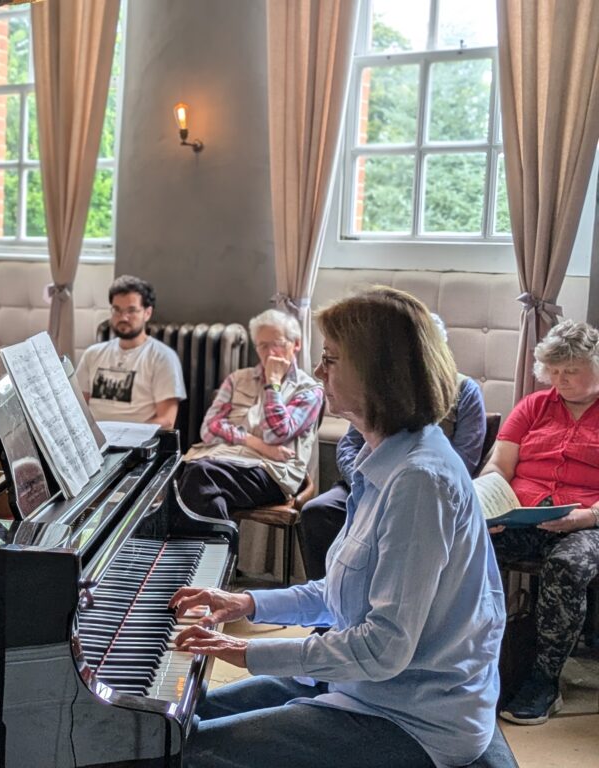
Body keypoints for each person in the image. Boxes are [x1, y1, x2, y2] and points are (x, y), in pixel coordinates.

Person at [170, 287, 505, 768]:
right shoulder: (383, 456)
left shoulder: (418, 481)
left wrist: (246, 651)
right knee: (174, 719)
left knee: (192, 751)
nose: (320, 372)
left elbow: (384, 646)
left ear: (377, 373)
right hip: (358, 686)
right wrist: (247, 602)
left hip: (411, 716)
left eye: (331, 359)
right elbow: (342, 593)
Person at [298, 313, 487, 580]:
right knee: (318, 512)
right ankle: (327, 608)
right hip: (364, 481)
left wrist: (395, 486)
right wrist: (364, 479)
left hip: (420, 493)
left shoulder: (465, 390)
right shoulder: (380, 390)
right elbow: (348, 445)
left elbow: (464, 459)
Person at [483, 319, 599, 726]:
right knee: (469, 544)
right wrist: (487, 505)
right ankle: (473, 659)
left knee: (567, 566)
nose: (560, 380)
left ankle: (543, 681)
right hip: (524, 514)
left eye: (571, 370)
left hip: (588, 521)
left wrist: (589, 516)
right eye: (553, 371)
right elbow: (499, 465)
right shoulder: (533, 406)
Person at [176, 309, 322, 519]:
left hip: (272, 473)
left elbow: (277, 433)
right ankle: (217, 548)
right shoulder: (237, 379)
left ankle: (194, 550)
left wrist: (273, 383)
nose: (270, 352)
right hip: (220, 460)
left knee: (199, 476)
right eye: (263, 345)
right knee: (194, 482)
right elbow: (208, 429)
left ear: (296, 344)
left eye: (278, 343)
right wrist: (256, 443)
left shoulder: (309, 391)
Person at [74, 275, 185, 429]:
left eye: (131, 310)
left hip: (136, 444)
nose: (123, 317)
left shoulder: (163, 357)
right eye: (117, 310)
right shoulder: (92, 354)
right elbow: (77, 407)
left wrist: (126, 433)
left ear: (147, 313)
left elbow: (166, 421)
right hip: (93, 440)